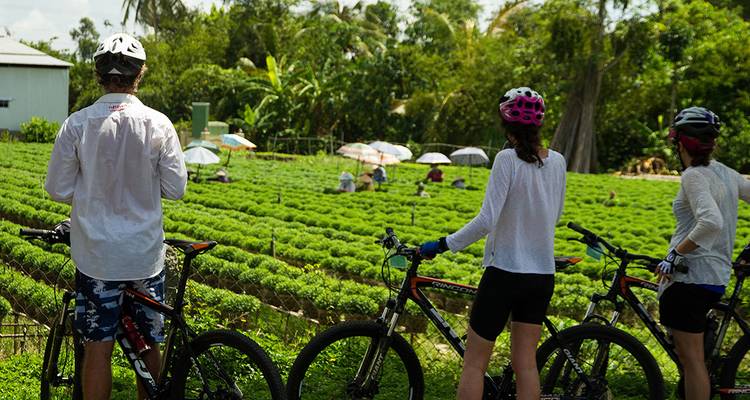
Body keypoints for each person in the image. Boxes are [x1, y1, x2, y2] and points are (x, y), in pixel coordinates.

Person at [44, 33, 187, 400]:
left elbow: (58, 190)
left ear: (98, 74)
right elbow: (175, 189)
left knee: (97, 349)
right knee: (148, 346)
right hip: (144, 256)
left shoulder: (77, 124)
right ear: (141, 73)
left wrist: (94, 190)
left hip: (96, 259)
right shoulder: (158, 124)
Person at [419, 87, 565, 400]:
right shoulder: (559, 163)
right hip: (542, 275)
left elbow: (487, 220)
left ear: (507, 125)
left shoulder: (506, 160)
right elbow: (554, 216)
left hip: (504, 273)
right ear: (538, 124)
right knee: (525, 364)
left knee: (474, 364)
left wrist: (443, 244)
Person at [655, 107, 750, 400]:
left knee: (692, 363)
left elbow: (710, 222)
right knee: (696, 361)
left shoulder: (694, 175)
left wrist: (674, 255)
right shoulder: (727, 173)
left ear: (680, 143)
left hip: (689, 278)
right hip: (714, 277)